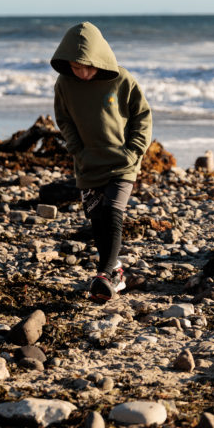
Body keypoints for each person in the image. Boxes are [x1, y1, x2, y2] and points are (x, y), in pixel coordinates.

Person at [51, 21, 152, 300]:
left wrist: (134, 150)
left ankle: (104, 274)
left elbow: (142, 116)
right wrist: (76, 149)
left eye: (88, 66)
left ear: (99, 59)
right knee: (97, 219)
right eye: (75, 66)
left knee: (112, 212)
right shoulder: (65, 83)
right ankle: (118, 272)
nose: (82, 73)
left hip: (123, 162)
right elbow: (63, 118)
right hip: (87, 163)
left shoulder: (121, 79)